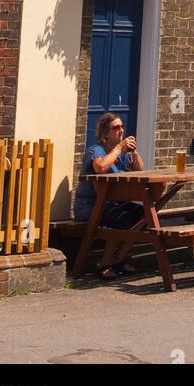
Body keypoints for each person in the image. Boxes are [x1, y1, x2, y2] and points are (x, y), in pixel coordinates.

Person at [73, 112, 145, 280]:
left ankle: (119, 259)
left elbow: (139, 170)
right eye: (116, 127)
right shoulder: (95, 150)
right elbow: (100, 167)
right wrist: (119, 148)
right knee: (120, 219)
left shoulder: (120, 155)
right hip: (91, 206)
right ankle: (104, 263)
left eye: (122, 127)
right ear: (105, 132)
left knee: (144, 215)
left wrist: (133, 152)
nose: (121, 131)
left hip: (113, 204)